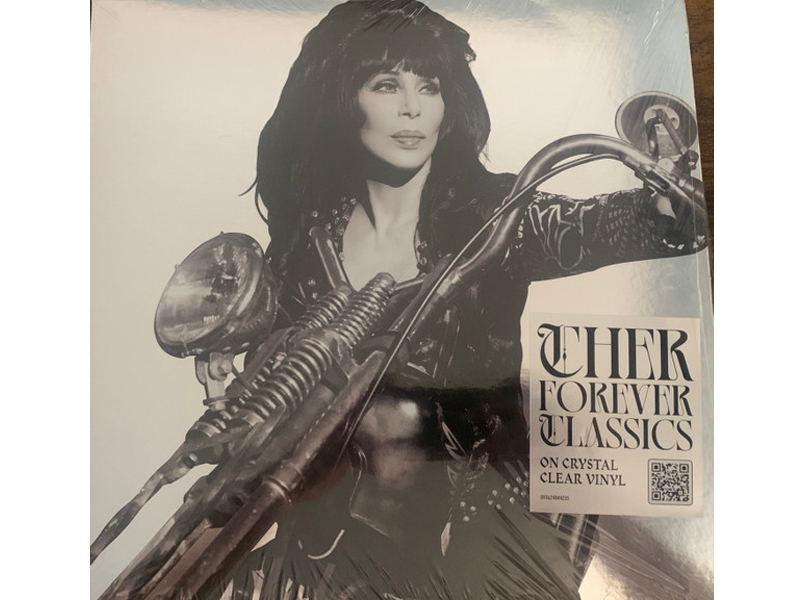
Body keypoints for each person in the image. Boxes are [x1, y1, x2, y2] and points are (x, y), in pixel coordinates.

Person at [209, 1, 707, 598]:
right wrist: (233, 387)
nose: (413, 107)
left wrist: (667, 203)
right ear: (341, 98)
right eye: (386, 84)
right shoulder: (308, 240)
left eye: (430, 86)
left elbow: (618, 226)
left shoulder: (493, 217)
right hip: (335, 526)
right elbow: (280, 376)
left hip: (477, 517)